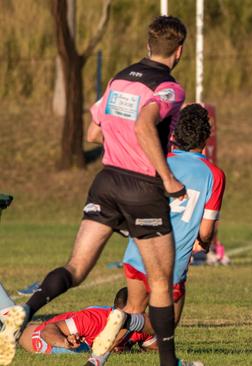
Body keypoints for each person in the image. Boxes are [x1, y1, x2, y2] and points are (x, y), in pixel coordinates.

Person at [0, 15, 201, 366]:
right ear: (179, 51)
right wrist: (168, 178)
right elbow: (143, 125)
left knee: (76, 268)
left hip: (106, 183)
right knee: (159, 281)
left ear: (147, 46)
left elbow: (93, 134)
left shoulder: (119, 79)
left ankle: (25, 309)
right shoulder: (170, 88)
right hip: (142, 187)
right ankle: (169, 363)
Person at [93, 104, 225, 358]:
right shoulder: (214, 175)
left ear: (175, 134)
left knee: (133, 307)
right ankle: (131, 325)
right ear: (205, 138)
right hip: (170, 263)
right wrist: (204, 243)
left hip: (138, 250)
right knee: (167, 322)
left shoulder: (159, 162)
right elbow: (206, 231)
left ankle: (97, 358)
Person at [17, 288, 155, 356]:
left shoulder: (142, 326)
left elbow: (157, 349)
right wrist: (63, 342)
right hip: (42, 333)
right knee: (76, 350)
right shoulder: (92, 320)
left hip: (83, 338)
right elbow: (46, 331)